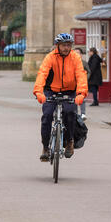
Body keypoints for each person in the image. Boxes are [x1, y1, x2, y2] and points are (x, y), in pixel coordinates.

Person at [33, 33, 88, 162]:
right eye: (64, 45)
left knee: (70, 113)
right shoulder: (50, 57)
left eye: (69, 45)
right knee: (46, 116)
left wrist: (81, 94)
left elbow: (81, 75)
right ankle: (45, 148)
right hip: (50, 90)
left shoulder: (75, 58)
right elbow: (42, 74)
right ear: (57, 45)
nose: (66, 48)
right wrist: (39, 92)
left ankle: (69, 141)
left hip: (69, 91)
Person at [74, 47, 91, 120]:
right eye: (75, 53)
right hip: (73, 84)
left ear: (81, 55)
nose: (77, 54)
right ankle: (75, 113)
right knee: (74, 99)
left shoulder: (84, 63)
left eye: (78, 53)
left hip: (81, 84)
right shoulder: (70, 62)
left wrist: (85, 78)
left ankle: (83, 114)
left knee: (82, 99)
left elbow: (89, 71)